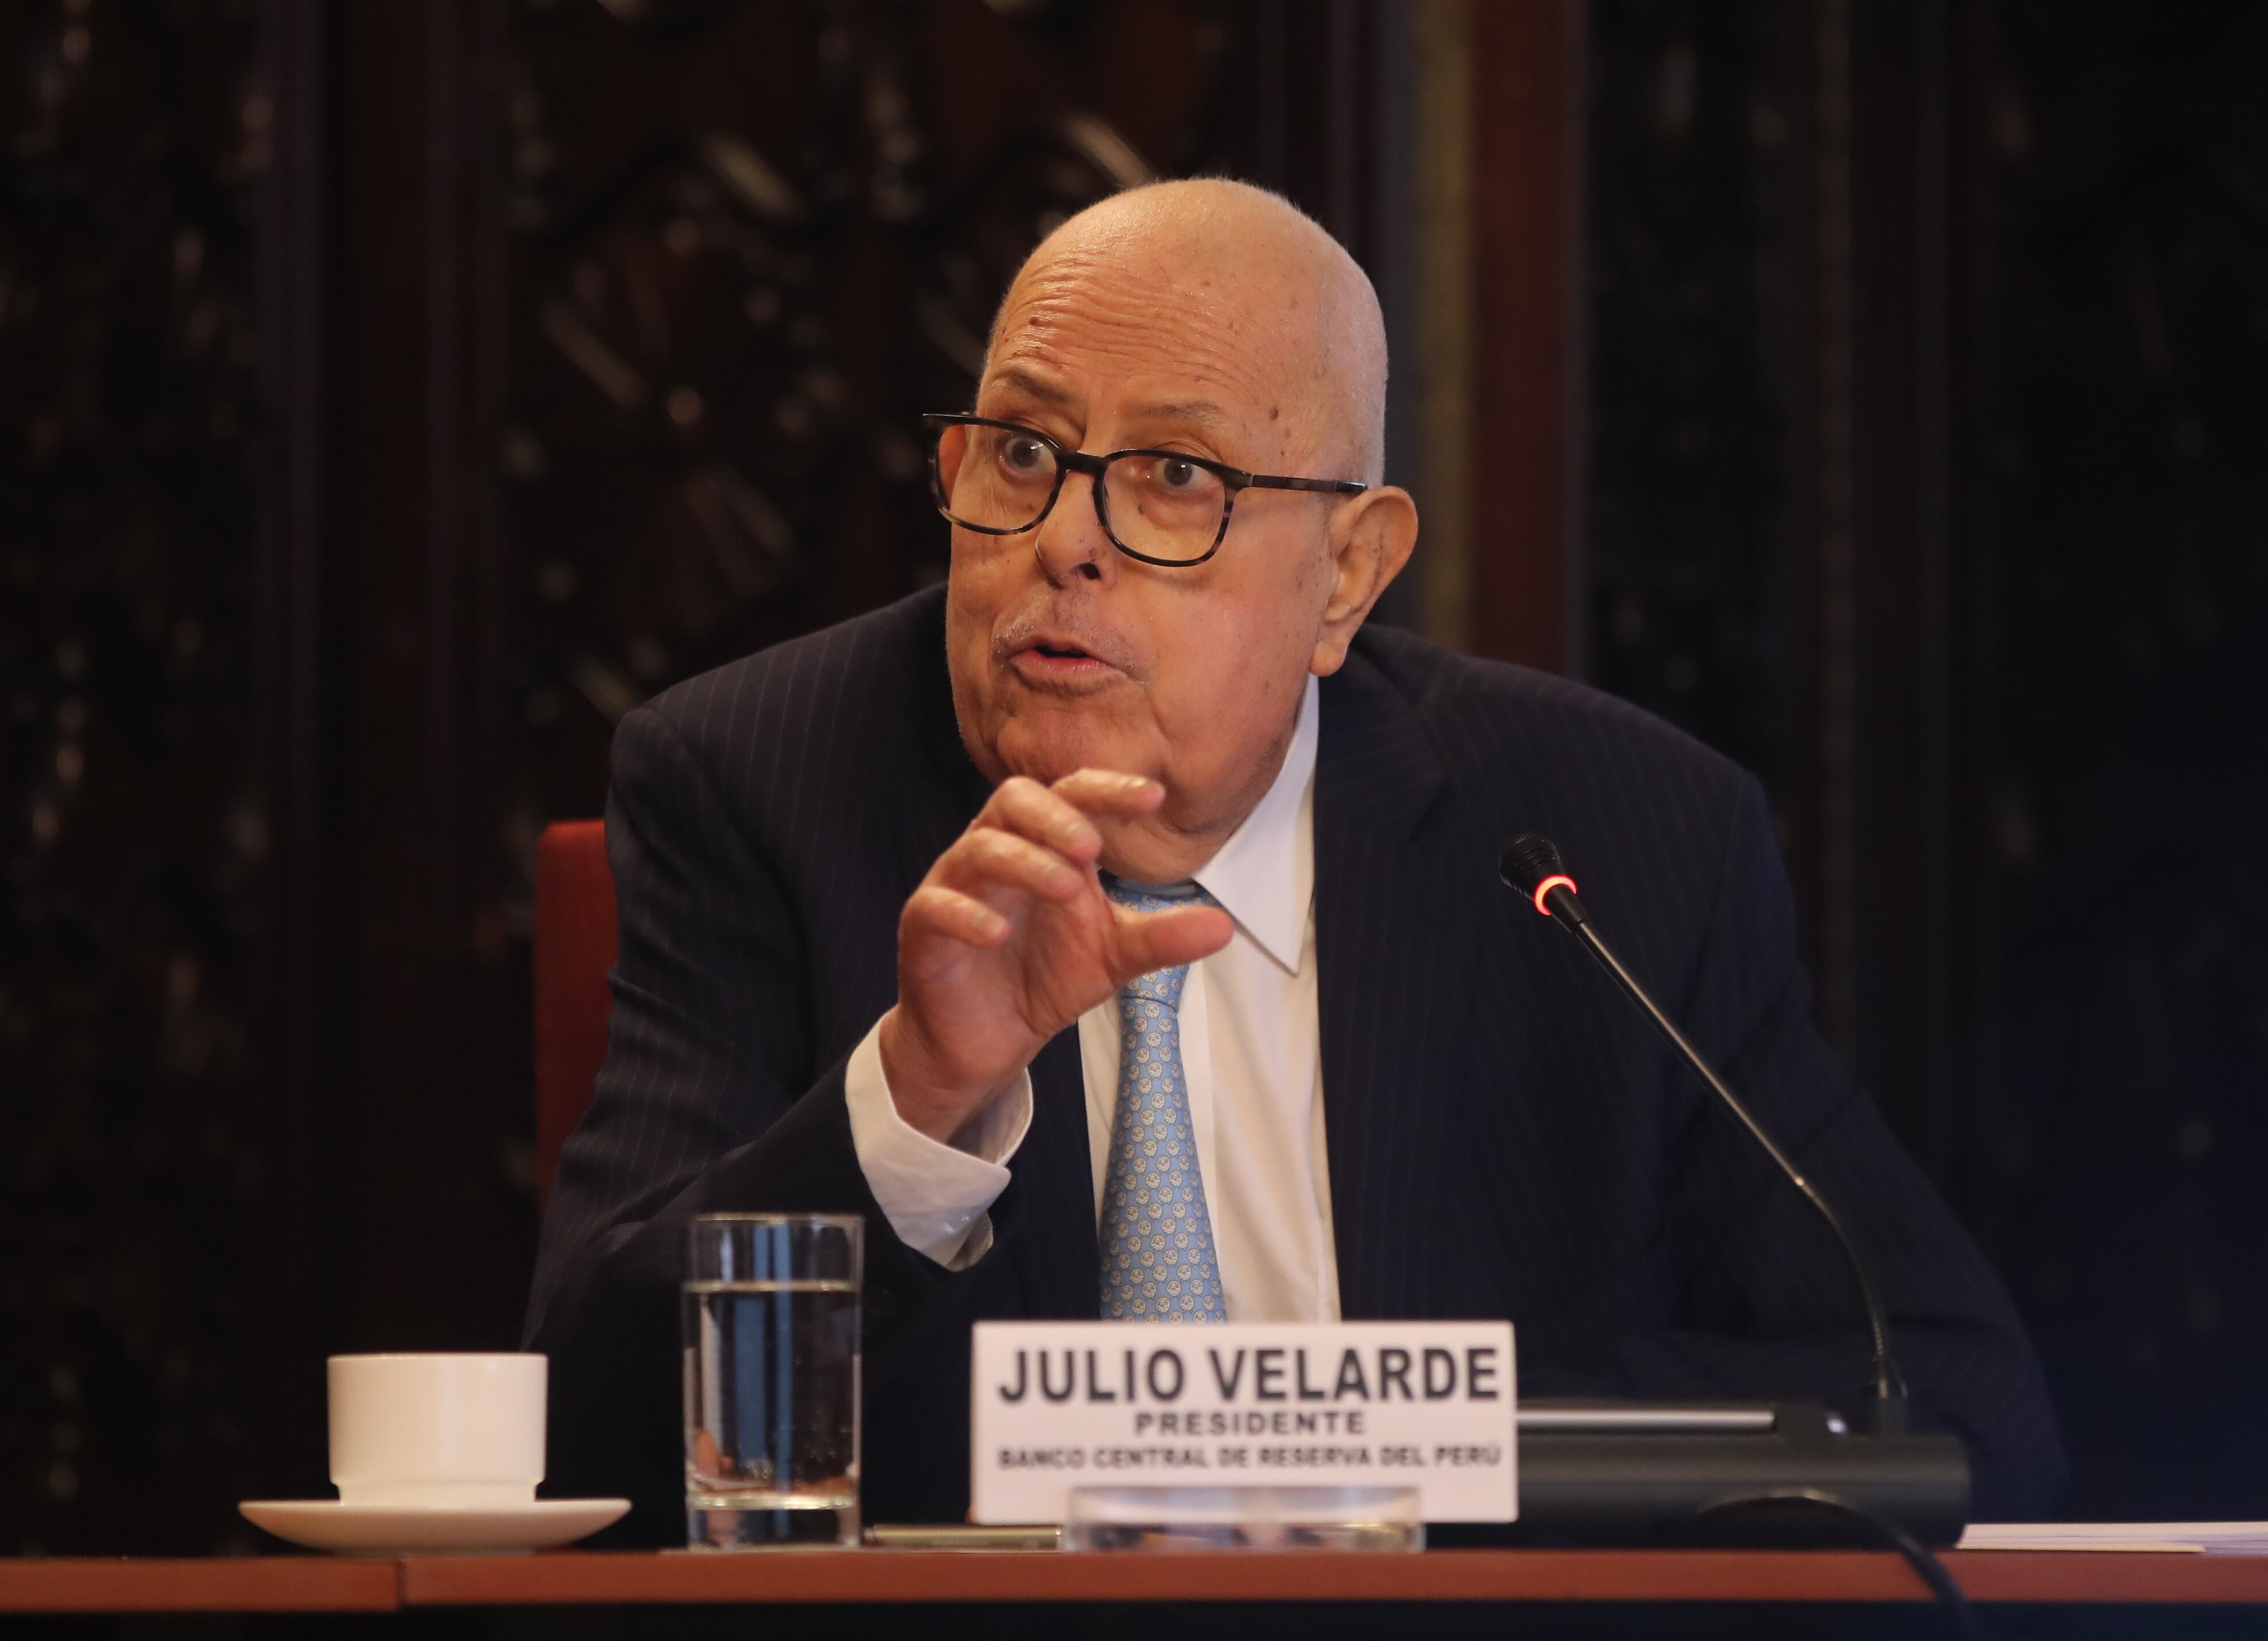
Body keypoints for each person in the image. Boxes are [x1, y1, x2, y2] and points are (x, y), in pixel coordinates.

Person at [525, 179, 2063, 1540]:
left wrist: (1385, 1445)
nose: (1068, 541)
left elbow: (1944, 1393)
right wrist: (918, 1102)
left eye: (1177, 478)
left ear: (1349, 573)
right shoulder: (757, 782)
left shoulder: (1614, 835)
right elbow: (587, 1439)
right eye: (1021, 452)